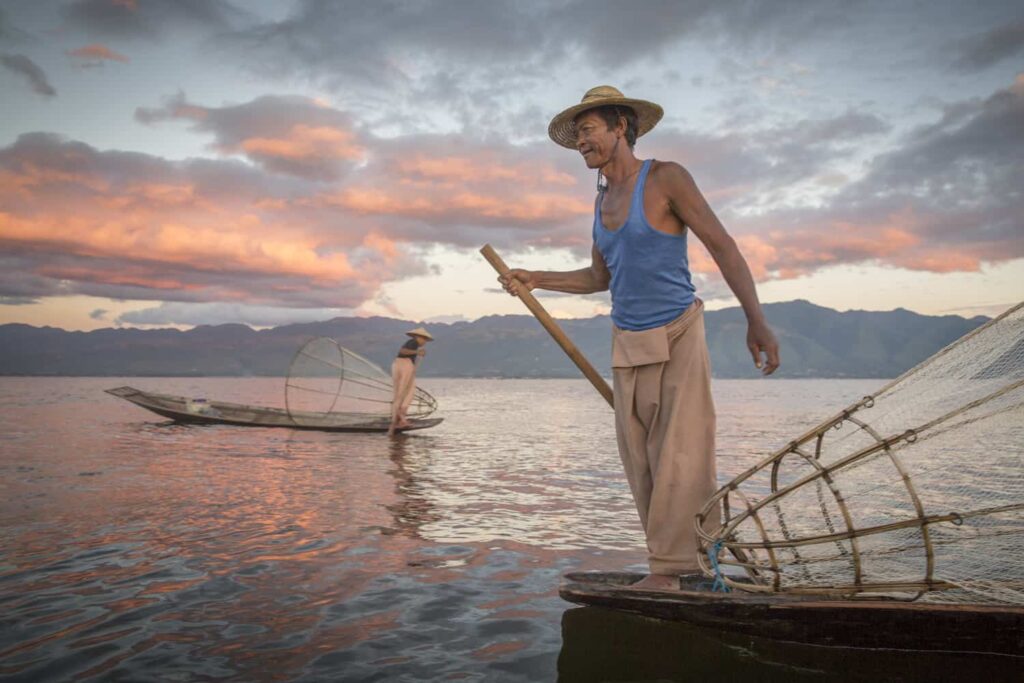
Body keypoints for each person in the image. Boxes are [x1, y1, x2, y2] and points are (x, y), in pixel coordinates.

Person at [499, 85, 780, 590]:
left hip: (677, 332)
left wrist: (755, 321)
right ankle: (685, 558)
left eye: (588, 130)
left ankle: (672, 571)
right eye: (578, 134)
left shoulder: (666, 177)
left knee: (681, 454)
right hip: (627, 341)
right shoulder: (602, 201)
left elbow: (722, 245)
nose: (581, 142)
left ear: (620, 127)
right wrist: (535, 277)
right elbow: (599, 277)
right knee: (642, 460)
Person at [389, 327, 433, 436]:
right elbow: (402, 351)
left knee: (400, 393)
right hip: (405, 364)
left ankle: (398, 418)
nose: (425, 342)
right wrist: (418, 352)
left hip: (397, 364)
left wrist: (417, 352)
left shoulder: (412, 343)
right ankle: (401, 419)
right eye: (425, 339)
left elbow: (402, 352)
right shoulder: (413, 342)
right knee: (408, 392)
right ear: (419, 337)